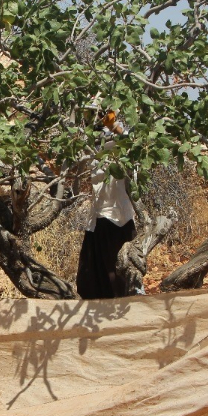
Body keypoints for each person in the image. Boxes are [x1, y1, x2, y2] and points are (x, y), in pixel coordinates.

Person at [76, 111, 140, 299]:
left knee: (118, 283)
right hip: (97, 221)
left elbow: (132, 140)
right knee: (89, 283)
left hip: (118, 221)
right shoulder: (94, 149)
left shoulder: (125, 148)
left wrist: (113, 125)